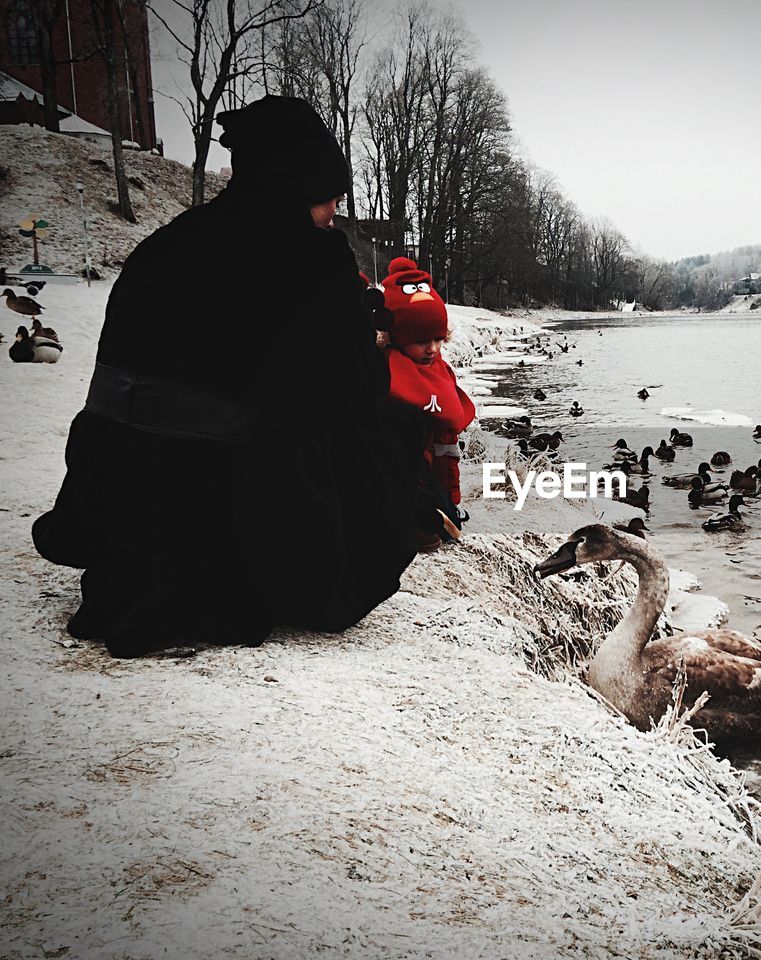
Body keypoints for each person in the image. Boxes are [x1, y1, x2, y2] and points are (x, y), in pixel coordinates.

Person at [32, 95, 424, 658]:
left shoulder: (164, 245)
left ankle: (154, 573)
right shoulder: (312, 262)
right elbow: (351, 398)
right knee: (395, 428)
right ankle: (249, 574)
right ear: (297, 188)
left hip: (122, 494)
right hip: (227, 503)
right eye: (328, 201)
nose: (332, 215)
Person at [380, 257, 476, 552]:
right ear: (396, 335)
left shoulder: (438, 371)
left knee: (448, 525)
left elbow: (448, 442)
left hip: (431, 466)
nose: (433, 349)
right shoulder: (386, 372)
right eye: (421, 340)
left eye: (438, 339)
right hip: (400, 471)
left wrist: (451, 498)